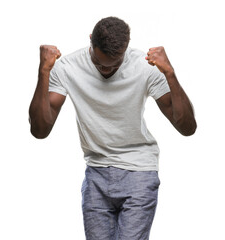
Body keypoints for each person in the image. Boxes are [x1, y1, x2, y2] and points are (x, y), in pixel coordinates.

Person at [29, 16, 197, 240]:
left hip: (139, 170)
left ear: (126, 48)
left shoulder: (144, 66)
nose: (106, 71)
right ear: (91, 41)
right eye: (99, 64)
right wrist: (43, 72)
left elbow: (187, 127)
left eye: (115, 64)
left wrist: (170, 74)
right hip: (96, 172)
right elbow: (40, 130)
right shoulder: (67, 67)